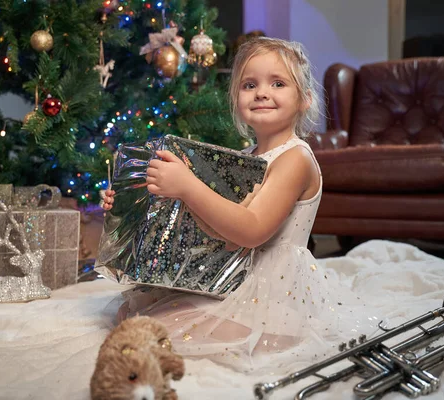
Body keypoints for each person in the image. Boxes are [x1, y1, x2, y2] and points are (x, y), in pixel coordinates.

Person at [101, 37, 378, 373]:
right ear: (236, 99)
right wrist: (131, 203)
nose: (261, 92)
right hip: (232, 278)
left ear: (304, 99)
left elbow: (251, 230)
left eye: (278, 83)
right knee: (130, 315)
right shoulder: (246, 160)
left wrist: (189, 187)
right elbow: (224, 232)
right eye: (250, 85)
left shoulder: (295, 159)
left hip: (274, 297)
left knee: (150, 334)